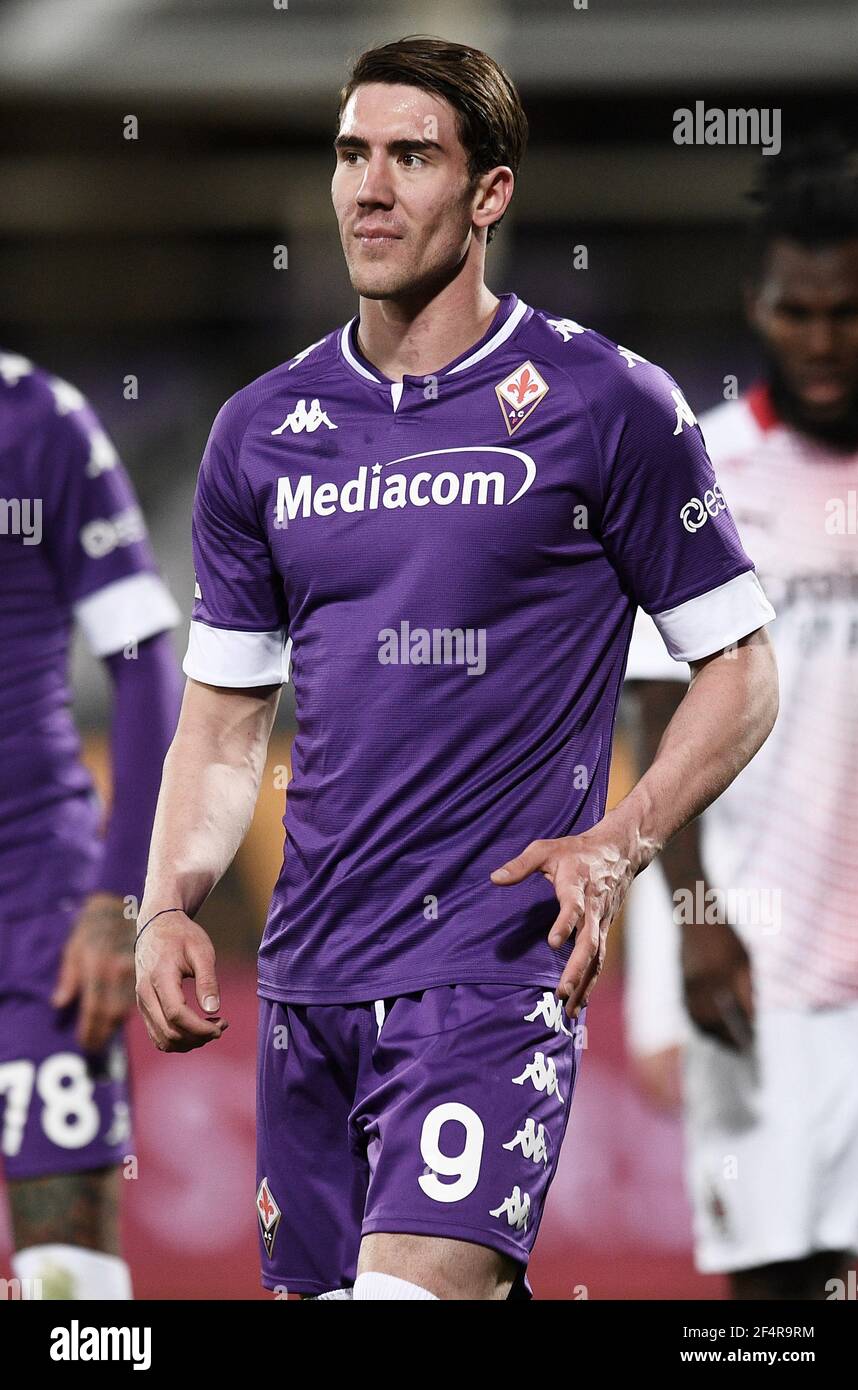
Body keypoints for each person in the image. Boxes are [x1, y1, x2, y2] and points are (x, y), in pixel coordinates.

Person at [135, 35, 777, 1301]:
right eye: (350, 153)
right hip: (308, 979)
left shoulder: (607, 405)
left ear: (489, 193)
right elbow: (220, 728)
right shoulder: (259, 432)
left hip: (490, 971)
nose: (367, 189)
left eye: (411, 156)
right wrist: (165, 902)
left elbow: (741, 671)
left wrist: (621, 837)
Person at [625, 134, 858, 1299]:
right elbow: (654, 722)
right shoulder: (705, 472)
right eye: (798, 309)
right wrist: (696, 929)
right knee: (777, 1300)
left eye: (849, 311)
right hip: (757, 970)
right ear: (756, 304)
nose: (822, 339)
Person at [0, 348, 182, 1299]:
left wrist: (123, 896)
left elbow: (146, 653)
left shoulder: (37, 421)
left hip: (37, 922)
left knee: (68, 1286)